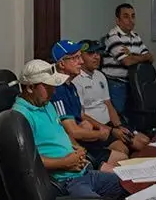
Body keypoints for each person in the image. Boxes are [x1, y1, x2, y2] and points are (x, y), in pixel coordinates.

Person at [12, 59, 125, 200]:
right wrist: (65, 163)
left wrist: (77, 149)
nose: (53, 91)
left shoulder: (46, 104)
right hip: (64, 181)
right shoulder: (19, 116)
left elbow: (62, 133)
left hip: (81, 171)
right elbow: (25, 161)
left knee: (126, 183)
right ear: (30, 87)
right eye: (47, 87)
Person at [50, 40, 129, 170]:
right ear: (62, 63)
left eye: (80, 57)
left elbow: (80, 117)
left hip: (85, 139)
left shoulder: (71, 87)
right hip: (72, 147)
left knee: (123, 155)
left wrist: (94, 128)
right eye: (75, 58)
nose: (81, 62)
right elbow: (72, 131)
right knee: (121, 162)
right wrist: (99, 134)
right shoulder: (58, 90)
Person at [73, 40, 150, 154]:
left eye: (98, 53)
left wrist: (119, 126)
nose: (96, 57)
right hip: (97, 128)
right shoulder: (76, 80)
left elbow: (108, 104)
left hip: (111, 124)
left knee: (145, 141)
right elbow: (82, 115)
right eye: (91, 54)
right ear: (80, 57)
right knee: (123, 149)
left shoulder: (100, 75)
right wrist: (111, 130)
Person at [102, 3, 154, 115]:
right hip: (116, 84)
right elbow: (127, 61)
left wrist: (131, 54)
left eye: (133, 16)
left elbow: (150, 58)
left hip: (133, 83)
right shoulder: (113, 36)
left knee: (133, 116)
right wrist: (139, 57)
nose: (131, 20)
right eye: (126, 16)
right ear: (118, 20)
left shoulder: (136, 36)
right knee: (120, 116)